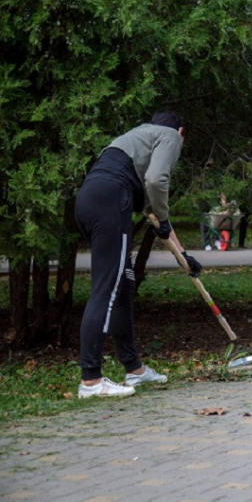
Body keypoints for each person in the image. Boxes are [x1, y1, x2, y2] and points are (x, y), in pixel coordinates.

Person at [74, 111, 202, 398]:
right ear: (180, 132)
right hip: (110, 201)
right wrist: (163, 214)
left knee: (123, 285)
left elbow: (155, 216)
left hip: (91, 200)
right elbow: (157, 182)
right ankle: (91, 381)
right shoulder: (168, 136)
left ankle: (135, 371)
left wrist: (183, 255)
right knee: (106, 289)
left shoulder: (138, 139)